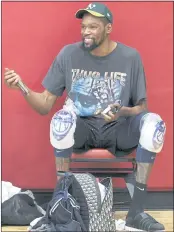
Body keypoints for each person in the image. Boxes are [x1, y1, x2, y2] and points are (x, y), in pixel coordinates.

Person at [4, 2, 166, 231]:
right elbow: (44, 105)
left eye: (93, 27)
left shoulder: (131, 57)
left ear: (108, 28)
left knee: (155, 125)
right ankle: (61, 206)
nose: (86, 32)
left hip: (118, 129)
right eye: (84, 27)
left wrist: (123, 111)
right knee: (61, 120)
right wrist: (21, 87)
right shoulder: (68, 54)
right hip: (83, 129)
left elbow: (142, 107)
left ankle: (136, 212)